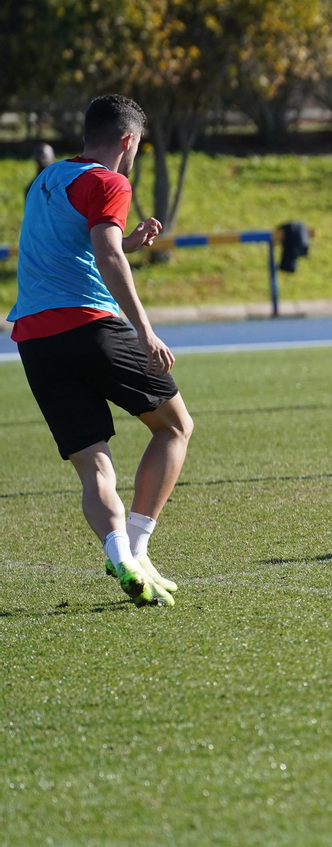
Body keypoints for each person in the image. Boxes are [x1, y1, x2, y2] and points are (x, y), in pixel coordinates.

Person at [7, 95, 190, 606]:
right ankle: (140, 545)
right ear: (128, 141)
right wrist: (145, 329)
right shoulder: (111, 181)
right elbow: (105, 255)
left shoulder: (47, 180)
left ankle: (120, 555)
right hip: (90, 327)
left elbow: (81, 243)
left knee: (95, 468)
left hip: (34, 341)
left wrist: (129, 242)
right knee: (175, 427)